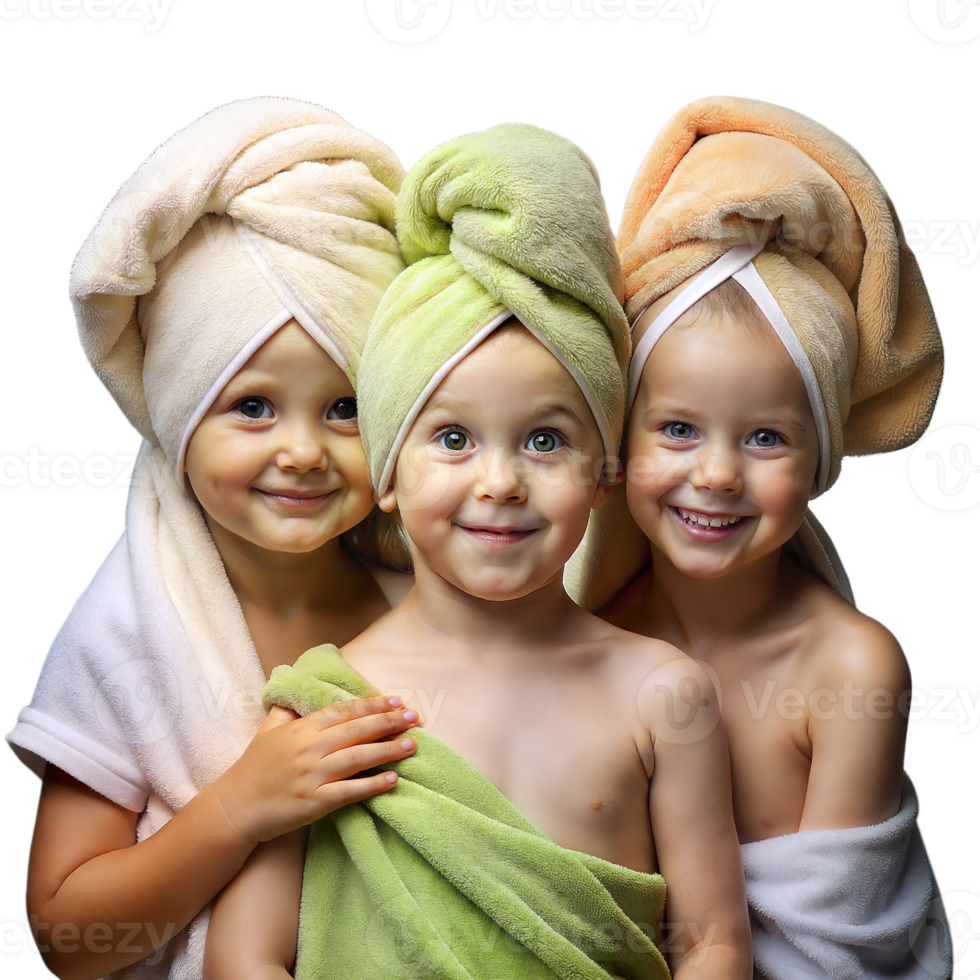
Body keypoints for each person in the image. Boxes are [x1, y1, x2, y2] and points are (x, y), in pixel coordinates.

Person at [203, 122, 752, 980]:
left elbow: (714, 944)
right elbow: (246, 954)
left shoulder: (663, 695)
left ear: (605, 471)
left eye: (545, 441)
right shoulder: (328, 705)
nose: (499, 483)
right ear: (386, 470)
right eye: (453, 437)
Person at [4, 96, 418, 980]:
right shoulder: (129, 635)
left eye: (346, 408)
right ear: (182, 415)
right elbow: (70, 942)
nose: (302, 451)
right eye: (253, 407)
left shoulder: (428, 605)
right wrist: (241, 806)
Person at [566, 95, 954, 979]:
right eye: (677, 430)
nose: (716, 474)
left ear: (822, 458)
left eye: (767, 438)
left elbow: (842, 947)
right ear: (620, 442)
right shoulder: (593, 637)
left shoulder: (850, 669)